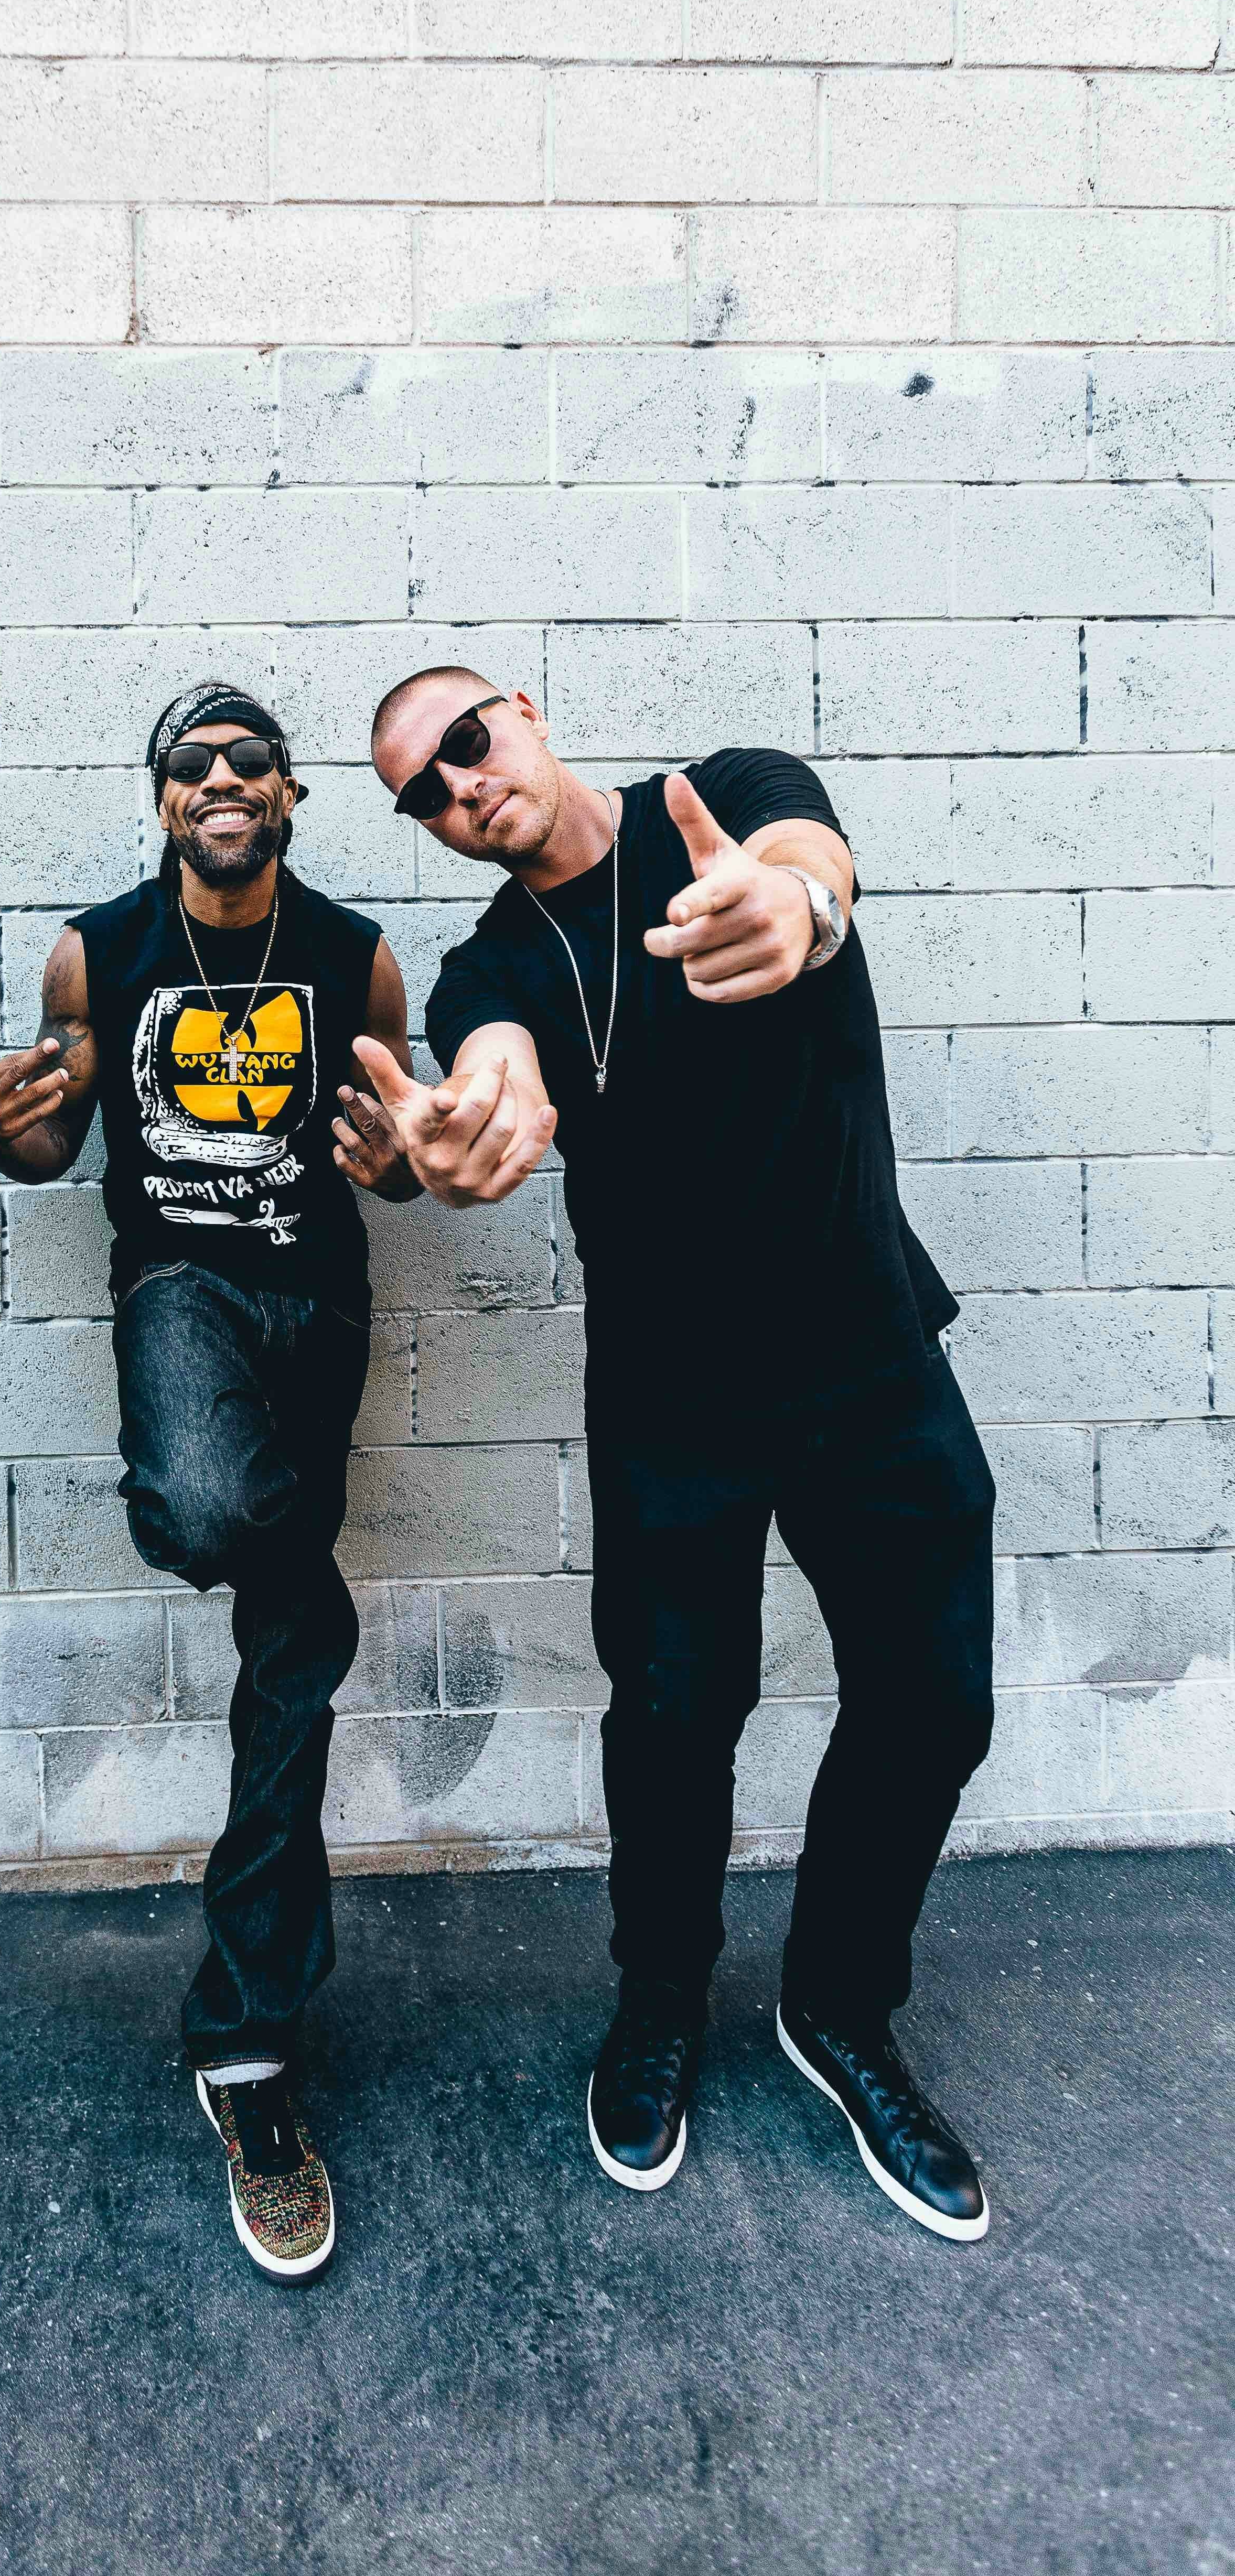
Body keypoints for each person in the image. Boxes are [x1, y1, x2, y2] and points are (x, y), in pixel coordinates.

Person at [356, 668, 996, 2244]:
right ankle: (659, 2004)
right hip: (672, 1399)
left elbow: (807, 865)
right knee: (672, 1722)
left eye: (464, 743)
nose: (458, 789)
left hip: (868, 1359)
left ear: (522, 708)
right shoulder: (491, 959)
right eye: (420, 795)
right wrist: (477, 1117)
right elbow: (491, 1055)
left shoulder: (727, 787)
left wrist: (792, 909)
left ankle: (841, 2008)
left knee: (935, 1703)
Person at [0, 683, 420, 2283]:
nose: (222, 784)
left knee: (287, 1658)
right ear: (159, 802)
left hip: (320, 1305)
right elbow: (50, 1141)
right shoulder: (97, 952)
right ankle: (292, 1582)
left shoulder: (355, 956)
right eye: (191, 766)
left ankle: (249, 2047)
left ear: (290, 795)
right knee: (215, 1516)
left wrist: (408, 1152)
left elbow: (399, 1142)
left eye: (250, 764)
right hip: (181, 1294)